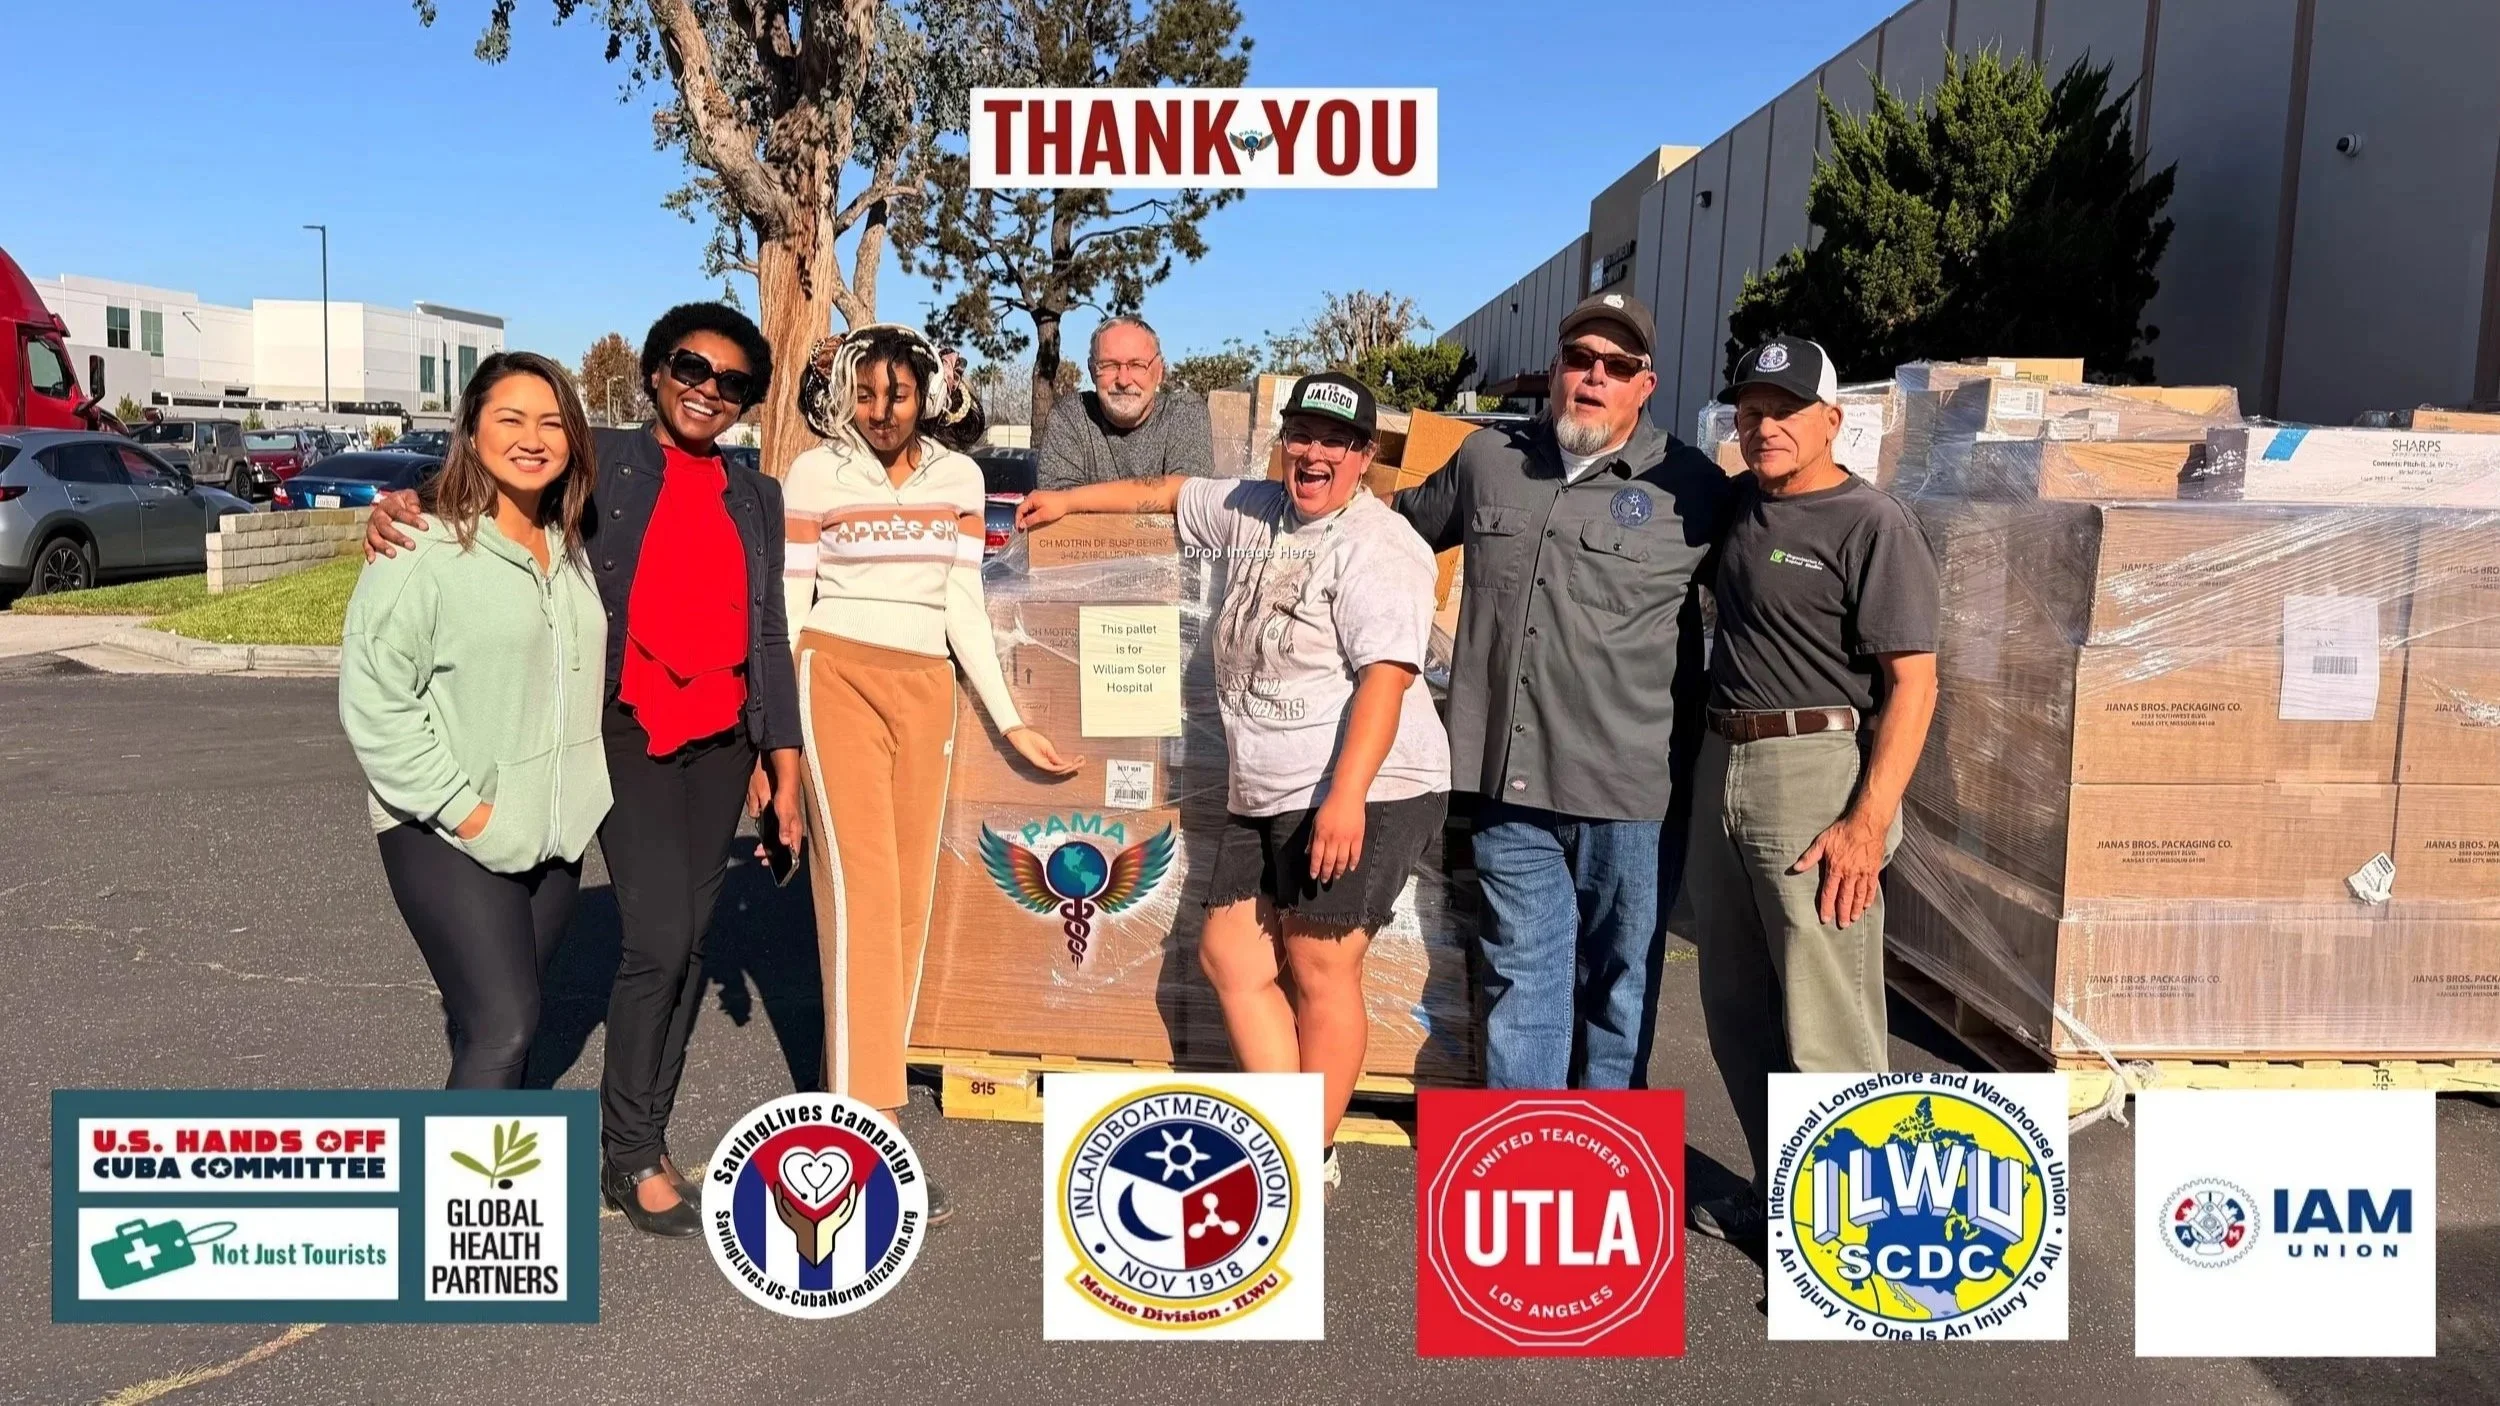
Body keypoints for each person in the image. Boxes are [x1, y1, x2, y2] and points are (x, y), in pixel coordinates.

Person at [365, 304, 806, 1240]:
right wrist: (396, 503)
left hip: (722, 741)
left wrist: (784, 768)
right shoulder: (600, 455)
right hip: (627, 733)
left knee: (686, 944)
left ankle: (622, 1136)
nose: (709, 390)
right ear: (654, 371)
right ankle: (629, 1155)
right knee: (654, 941)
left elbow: (768, 632)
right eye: (692, 366)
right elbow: (503, 457)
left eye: (734, 382)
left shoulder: (754, 493)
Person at [1017, 372, 1450, 1196]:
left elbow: (1387, 680)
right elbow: (1169, 489)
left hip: (1370, 779)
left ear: (1362, 457)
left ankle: (1299, 1158)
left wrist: (1346, 798)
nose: (1314, 453)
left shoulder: (1379, 546)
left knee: (1320, 964)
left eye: (1336, 442)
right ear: (1284, 442)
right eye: (1303, 436)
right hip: (1272, 785)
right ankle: (1295, 1131)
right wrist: (1073, 504)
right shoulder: (1256, 508)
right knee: (1229, 956)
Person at [1393, 291, 1734, 1092]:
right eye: (1579, 359)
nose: (1593, 377)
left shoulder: (1693, 487)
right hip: (1512, 784)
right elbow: (1388, 535)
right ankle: (1534, 1157)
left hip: (1632, 795)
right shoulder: (1487, 462)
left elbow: (1767, 601)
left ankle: (1605, 1153)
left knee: (1620, 987)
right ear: (1555, 370)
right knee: (1523, 982)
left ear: (1644, 386)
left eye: (1617, 367)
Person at [782, 324, 1078, 1220]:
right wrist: (780, 745)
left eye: (896, 394)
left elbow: (961, 606)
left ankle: (864, 1087)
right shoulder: (813, 476)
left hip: (927, 689)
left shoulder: (958, 478)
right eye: (863, 395)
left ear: (927, 395)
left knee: (907, 902)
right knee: (861, 894)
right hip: (832, 672)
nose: (878, 412)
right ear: (842, 395)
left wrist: (1012, 719)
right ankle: (860, 1126)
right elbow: (792, 600)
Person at [1686, 336, 1940, 1245]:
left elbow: (1914, 682)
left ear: (1833, 420)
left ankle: (1869, 1242)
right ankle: (1788, 1200)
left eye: (1786, 410)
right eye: (1751, 412)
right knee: (1736, 1008)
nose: (1766, 428)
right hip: (1723, 765)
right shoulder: (1737, 510)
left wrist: (1868, 822)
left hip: (1817, 773)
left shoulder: (1871, 524)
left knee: (1827, 1021)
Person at [340, 351, 609, 1092]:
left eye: (553, 421)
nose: (533, 437)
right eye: (511, 418)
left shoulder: (571, 542)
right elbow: (376, 703)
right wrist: (474, 812)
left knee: (495, 1031)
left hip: (553, 830)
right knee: (505, 1023)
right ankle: (447, 1206)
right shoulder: (418, 545)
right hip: (444, 825)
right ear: (471, 431)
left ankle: (497, 1192)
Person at [1034, 314, 1214, 490]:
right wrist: (1165, 493)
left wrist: (1071, 502)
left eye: (1137, 365)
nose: (1123, 380)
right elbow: (1055, 507)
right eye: (1109, 365)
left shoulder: (1184, 413)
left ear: (1160, 372)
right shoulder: (1069, 417)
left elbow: (1187, 499)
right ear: (1091, 371)